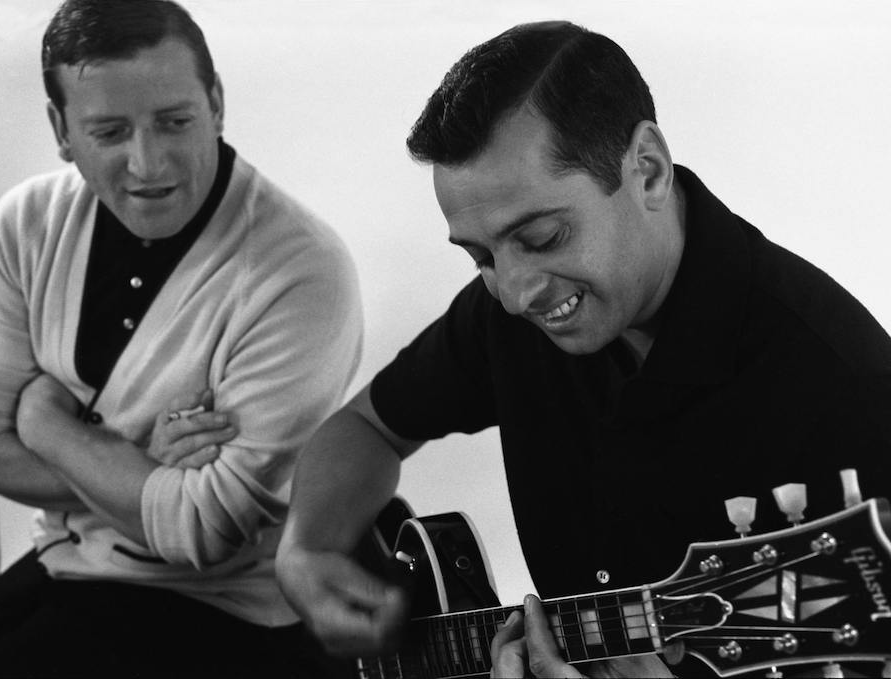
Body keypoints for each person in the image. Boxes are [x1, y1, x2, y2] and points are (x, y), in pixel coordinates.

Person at [275, 20, 891, 678]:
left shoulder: (845, 388)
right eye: (482, 256)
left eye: (541, 237)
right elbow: (369, 426)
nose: (513, 293)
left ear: (647, 170)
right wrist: (307, 547)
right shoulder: (514, 311)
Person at [0, 0, 363, 676]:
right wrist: (142, 467)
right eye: (109, 131)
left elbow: (203, 533)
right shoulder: (25, 223)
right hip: (70, 563)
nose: (148, 163)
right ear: (61, 129)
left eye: (174, 121)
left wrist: (43, 421)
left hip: (227, 606)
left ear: (216, 103)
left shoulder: (304, 272)